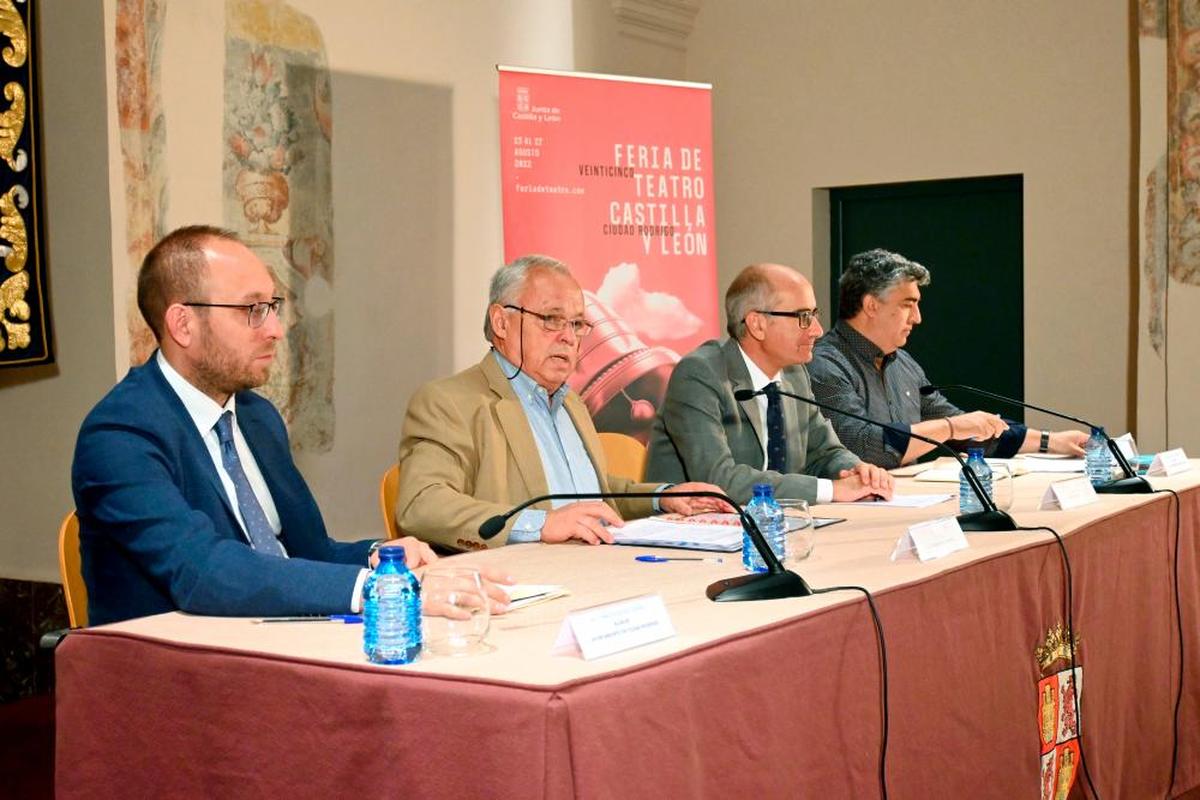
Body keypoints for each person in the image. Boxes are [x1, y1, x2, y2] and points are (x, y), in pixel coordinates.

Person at [72, 225, 507, 626]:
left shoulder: (257, 418)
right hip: (172, 680)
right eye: (252, 310)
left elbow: (308, 551)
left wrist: (382, 558)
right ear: (182, 323)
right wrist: (382, 590)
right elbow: (202, 572)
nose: (276, 330)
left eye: (273, 307)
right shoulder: (119, 436)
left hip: (277, 645)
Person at [396, 254, 731, 551]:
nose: (569, 337)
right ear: (501, 322)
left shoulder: (570, 401)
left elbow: (595, 496)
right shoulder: (449, 402)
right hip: (521, 586)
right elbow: (422, 503)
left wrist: (664, 497)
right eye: (551, 319)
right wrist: (541, 524)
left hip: (599, 568)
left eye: (576, 324)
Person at [808, 248, 1088, 468]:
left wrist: (1051, 441)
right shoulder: (825, 364)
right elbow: (864, 446)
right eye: (908, 305)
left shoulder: (903, 364)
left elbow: (965, 429)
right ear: (871, 305)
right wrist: (951, 427)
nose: (917, 318)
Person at [644, 263, 893, 504]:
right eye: (803, 317)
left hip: (770, 522)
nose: (817, 330)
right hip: (691, 529)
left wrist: (858, 472)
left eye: (815, 315)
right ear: (757, 324)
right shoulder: (699, 374)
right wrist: (830, 489)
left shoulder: (794, 374)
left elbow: (823, 452)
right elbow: (719, 480)